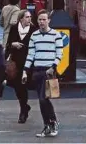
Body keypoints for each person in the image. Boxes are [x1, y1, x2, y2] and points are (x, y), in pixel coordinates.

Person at [22, 9, 63, 138]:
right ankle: (49, 124)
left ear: (48, 21)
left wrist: (53, 67)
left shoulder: (56, 35)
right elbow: (31, 54)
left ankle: (51, 123)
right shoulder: (34, 36)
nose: (42, 22)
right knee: (42, 100)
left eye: (44, 19)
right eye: (39, 19)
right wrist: (25, 71)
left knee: (43, 99)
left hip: (48, 71)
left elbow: (59, 53)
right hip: (36, 70)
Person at [5, 9, 37, 124]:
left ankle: (23, 111)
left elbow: (35, 46)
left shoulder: (34, 30)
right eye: (27, 17)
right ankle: (25, 106)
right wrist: (13, 44)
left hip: (28, 62)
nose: (29, 19)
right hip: (16, 63)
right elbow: (8, 44)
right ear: (21, 18)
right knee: (18, 87)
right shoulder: (14, 28)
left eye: (30, 17)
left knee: (23, 86)